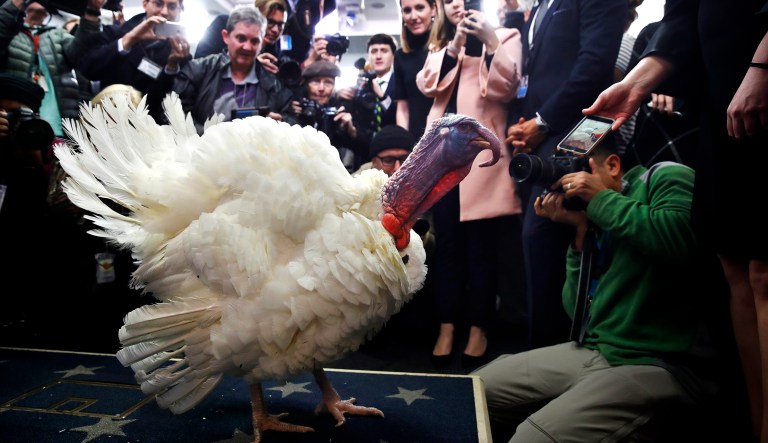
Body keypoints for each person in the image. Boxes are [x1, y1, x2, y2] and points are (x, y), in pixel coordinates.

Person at [583, 2, 768, 440]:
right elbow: (684, 15)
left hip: (757, 79)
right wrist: (633, 84)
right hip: (722, 95)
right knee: (735, 266)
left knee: (764, 271)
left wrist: (763, 65)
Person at [474, 137, 734, 442]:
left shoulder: (665, 176)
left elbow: (682, 242)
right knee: (472, 390)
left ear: (612, 165)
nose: (571, 182)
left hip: (660, 361)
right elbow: (576, 312)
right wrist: (580, 235)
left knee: (531, 437)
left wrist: (599, 201)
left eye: (580, 171)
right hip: (598, 349)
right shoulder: (598, 215)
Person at [504, 0, 627, 350]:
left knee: (544, 238)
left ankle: (556, 359)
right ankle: (542, 360)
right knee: (539, 244)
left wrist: (541, 122)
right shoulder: (541, 7)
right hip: (543, 138)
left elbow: (594, 67)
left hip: (583, 129)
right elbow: (539, 76)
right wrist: (525, 125)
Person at [416, 0, 525, 369]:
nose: (456, 5)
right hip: (442, 158)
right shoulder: (439, 48)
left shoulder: (507, 35)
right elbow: (428, 85)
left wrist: (490, 42)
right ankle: (447, 327)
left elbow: (505, 89)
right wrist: (454, 47)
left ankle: (479, 329)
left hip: (483, 159)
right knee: (446, 248)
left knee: (482, 252)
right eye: (447, 1)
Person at [157, 6, 296, 134]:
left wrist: (280, 123)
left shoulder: (273, 83)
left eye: (254, 41)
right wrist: (211, 137)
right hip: (201, 153)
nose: (247, 47)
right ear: (226, 36)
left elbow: (293, 121)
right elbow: (171, 114)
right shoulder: (198, 69)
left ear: (261, 43)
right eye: (241, 38)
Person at [0, 0, 106, 148]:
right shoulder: (10, 33)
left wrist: (92, 10)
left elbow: (82, 53)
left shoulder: (57, 34)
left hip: (60, 130)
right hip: (16, 131)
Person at [76, 0, 189, 122]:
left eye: (172, 7)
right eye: (158, 4)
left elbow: (168, 104)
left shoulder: (180, 55)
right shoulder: (115, 33)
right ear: (145, 4)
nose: (164, 12)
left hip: (144, 127)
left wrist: (171, 67)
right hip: (102, 118)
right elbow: (87, 68)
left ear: (179, 11)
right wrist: (129, 39)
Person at [291, 60, 365, 173]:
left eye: (328, 83)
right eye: (315, 82)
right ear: (306, 85)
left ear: (334, 86)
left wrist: (352, 132)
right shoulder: (293, 107)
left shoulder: (340, 111)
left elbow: (363, 150)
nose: (321, 88)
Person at [393, 0, 437, 141]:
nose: (413, 16)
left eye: (419, 8)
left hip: (448, 136)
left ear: (433, 9)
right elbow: (403, 107)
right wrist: (403, 142)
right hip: (416, 140)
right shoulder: (401, 56)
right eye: (407, 10)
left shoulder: (448, 48)